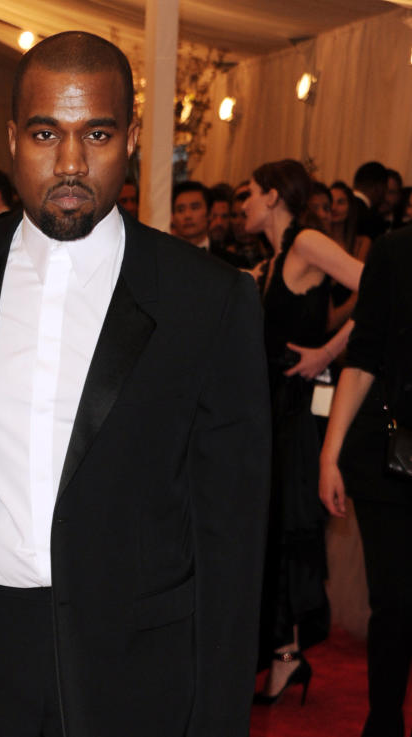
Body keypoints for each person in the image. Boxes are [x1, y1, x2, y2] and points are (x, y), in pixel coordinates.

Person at [0, 31, 271, 737]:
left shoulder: (207, 300)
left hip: (134, 667)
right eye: (46, 133)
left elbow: (232, 534)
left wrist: (218, 716)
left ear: (130, 138)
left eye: (95, 132)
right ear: (12, 138)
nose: (70, 161)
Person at [242, 159, 363, 704]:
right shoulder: (271, 261)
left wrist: (327, 352)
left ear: (271, 196)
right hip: (270, 415)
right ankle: (279, 652)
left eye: (249, 194)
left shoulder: (308, 242)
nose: (242, 204)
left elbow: (378, 289)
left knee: (287, 534)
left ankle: (287, 655)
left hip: (294, 418)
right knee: (271, 537)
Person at [319, 225, 412, 737]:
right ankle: (384, 724)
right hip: (391, 457)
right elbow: (364, 356)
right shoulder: (396, 252)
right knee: (395, 605)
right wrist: (329, 455)